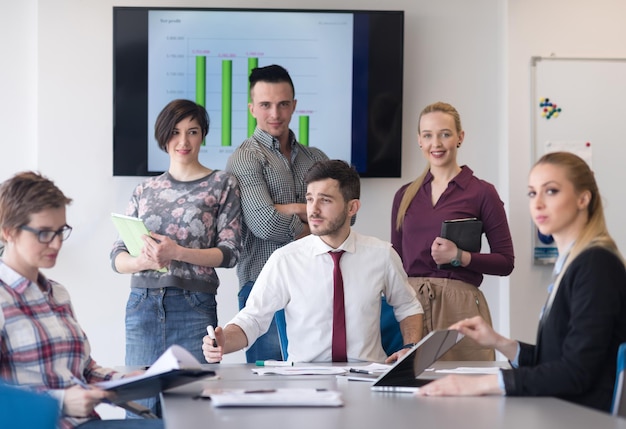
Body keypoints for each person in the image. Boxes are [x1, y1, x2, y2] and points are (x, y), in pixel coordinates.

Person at [417, 152, 626, 412]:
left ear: (583, 198)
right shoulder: (574, 263)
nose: (537, 204)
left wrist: (482, 384)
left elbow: (576, 372)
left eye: (551, 191)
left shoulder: (596, 265)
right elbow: (555, 360)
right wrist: (499, 342)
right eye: (531, 193)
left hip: (584, 417)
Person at [203, 160, 423, 364]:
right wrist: (223, 341)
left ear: (352, 207)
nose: (313, 210)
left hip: (366, 377)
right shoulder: (285, 260)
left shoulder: (381, 255)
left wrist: (410, 346)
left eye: (325, 200)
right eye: (309, 199)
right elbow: (252, 319)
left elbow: (408, 306)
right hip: (305, 381)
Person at [0, 171, 163, 429]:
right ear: (8, 232)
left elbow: (84, 370)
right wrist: (62, 401)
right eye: (43, 233)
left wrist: (128, 380)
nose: (55, 244)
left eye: (60, 231)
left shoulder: (57, 293)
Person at [110, 99, 241, 416]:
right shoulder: (145, 189)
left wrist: (176, 252)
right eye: (176, 132)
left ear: (203, 135)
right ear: (163, 136)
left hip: (194, 305)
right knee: (139, 408)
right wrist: (142, 261)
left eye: (192, 132)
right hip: (142, 305)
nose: (183, 142)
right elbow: (117, 256)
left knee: (193, 409)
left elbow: (229, 253)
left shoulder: (222, 183)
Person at [391, 101, 514, 361]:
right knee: (410, 393)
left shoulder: (482, 192)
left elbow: (506, 262)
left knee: (467, 393)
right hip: (411, 309)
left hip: (461, 309)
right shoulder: (404, 195)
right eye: (428, 135)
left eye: (445, 134)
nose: (436, 143)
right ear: (419, 141)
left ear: (460, 137)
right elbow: (396, 265)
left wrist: (461, 256)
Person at [225, 64, 329, 362]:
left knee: (318, 384)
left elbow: (345, 218)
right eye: (265, 105)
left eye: (283, 104)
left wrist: (285, 209)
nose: (275, 113)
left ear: (294, 105)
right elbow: (265, 223)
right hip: (262, 287)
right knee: (266, 388)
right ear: (252, 108)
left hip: (315, 287)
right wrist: (312, 214)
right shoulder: (244, 158)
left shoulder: (317, 158)